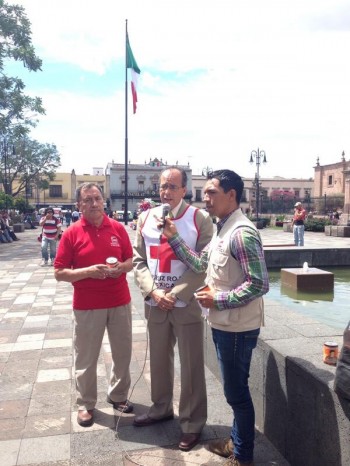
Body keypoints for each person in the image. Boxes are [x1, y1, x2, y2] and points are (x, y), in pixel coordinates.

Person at [161, 169, 269, 466]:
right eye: (204, 192)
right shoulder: (224, 228)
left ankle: (242, 456)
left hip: (237, 328)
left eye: (211, 192)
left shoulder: (242, 233)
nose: (204, 198)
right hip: (225, 324)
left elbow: (259, 284)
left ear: (231, 195)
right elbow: (200, 262)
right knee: (234, 389)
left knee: (237, 395)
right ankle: (235, 442)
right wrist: (173, 237)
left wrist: (217, 299)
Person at [133, 166, 214, 451]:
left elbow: (204, 265)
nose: (166, 192)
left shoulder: (199, 219)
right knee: (158, 359)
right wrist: (154, 291)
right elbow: (138, 260)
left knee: (191, 364)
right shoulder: (145, 217)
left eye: (172, 186)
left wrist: (176, 293)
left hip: (186, 304)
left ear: (184, 190)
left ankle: (192, 423)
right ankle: (160, 407)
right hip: (156, 302)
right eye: (162, 186)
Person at [54, 182, 134, 428]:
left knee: (122, 353)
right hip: (87, 305)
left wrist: (121, 267)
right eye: (87, 200)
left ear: (103, 201)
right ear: (79, 205)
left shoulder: (117, 228)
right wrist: (87, 271)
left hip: (119, 300)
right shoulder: (72, 233)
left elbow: (130, 260)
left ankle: (118, 395)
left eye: (97, 198)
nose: (94, 204)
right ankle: (85, 403)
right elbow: (59, 272)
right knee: (86, 357)